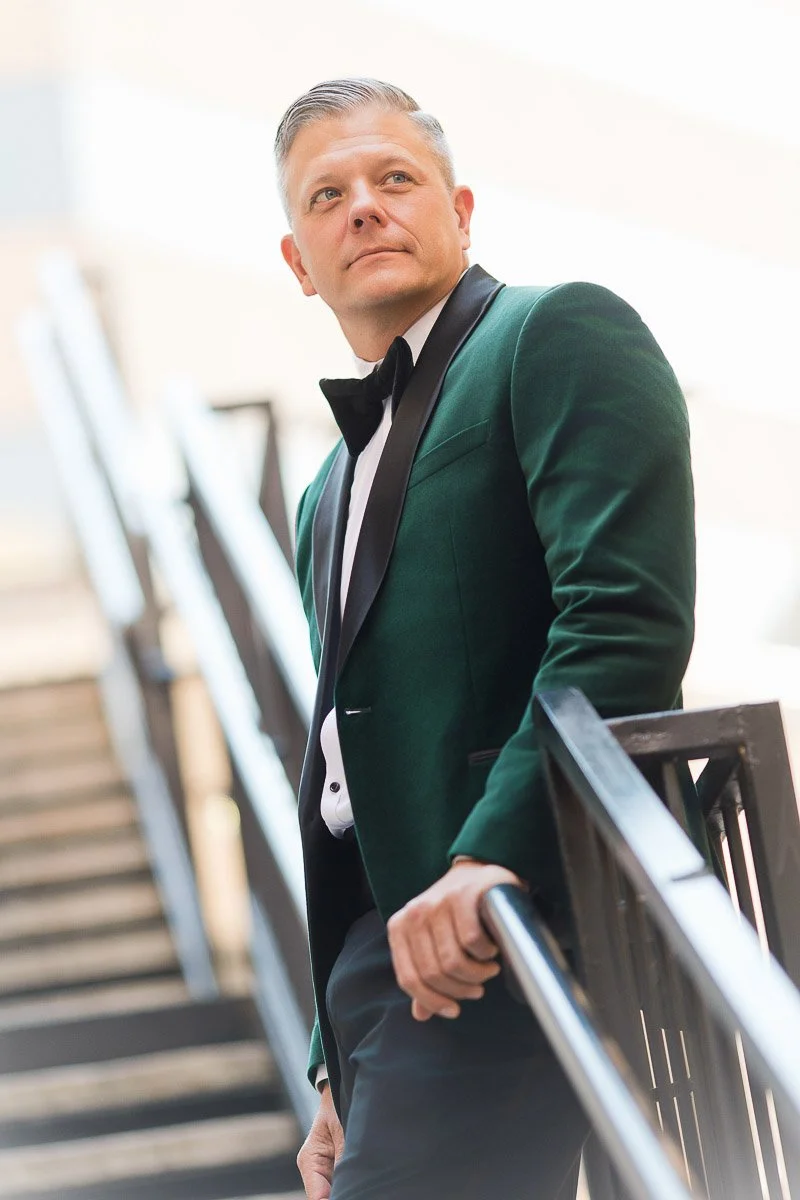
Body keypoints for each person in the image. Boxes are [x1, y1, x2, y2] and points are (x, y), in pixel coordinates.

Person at [276, 78, 695, 1200]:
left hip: (508, 921)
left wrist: (489, 856)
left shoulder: (553, 331)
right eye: (328, 195)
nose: (363, 206)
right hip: (378, 959)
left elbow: (620, 612)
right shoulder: (321, 492)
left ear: (460, 210)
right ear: (295, 258)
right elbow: (346, 753)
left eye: (394, 178)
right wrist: (331, 1052)